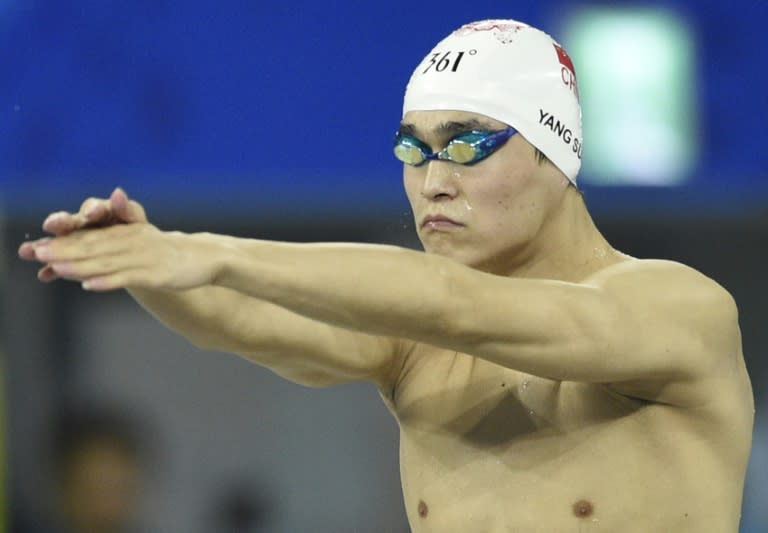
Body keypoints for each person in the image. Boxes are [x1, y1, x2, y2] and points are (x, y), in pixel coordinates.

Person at [19, 19, 753, 532]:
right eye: (412, 148)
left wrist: (210, 249)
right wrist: (142, 261)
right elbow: (241, 322)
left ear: (553, 154)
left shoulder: (678, 309)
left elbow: (462, 307)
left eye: (465, 142)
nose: (432, 180)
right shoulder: (418, 348)